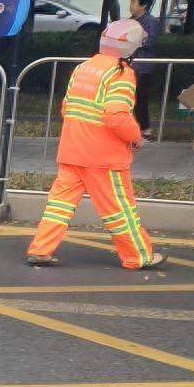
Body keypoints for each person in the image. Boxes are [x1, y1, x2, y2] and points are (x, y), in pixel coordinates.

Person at [24, 17, 166, 270]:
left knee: (59, 206)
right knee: (120, 210)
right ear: (132, 49)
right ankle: (138, 256)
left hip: (72, 151)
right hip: (103, 158)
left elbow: (67, 107)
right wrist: (135, 137)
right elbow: (116, 116)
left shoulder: (83, 68)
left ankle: (40, 250)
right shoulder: (121, 73)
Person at [127, 0, 161, 137]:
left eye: (134, 1)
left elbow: (150, 41)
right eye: (131, 0)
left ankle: (145, 129)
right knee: (127, 96)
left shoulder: (151, 22)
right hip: (129, 64)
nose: (131, 4)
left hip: (142, 66)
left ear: (144, 5)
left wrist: (132, 41)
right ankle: (130, 127)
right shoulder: (130, 21)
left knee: (140, 97)